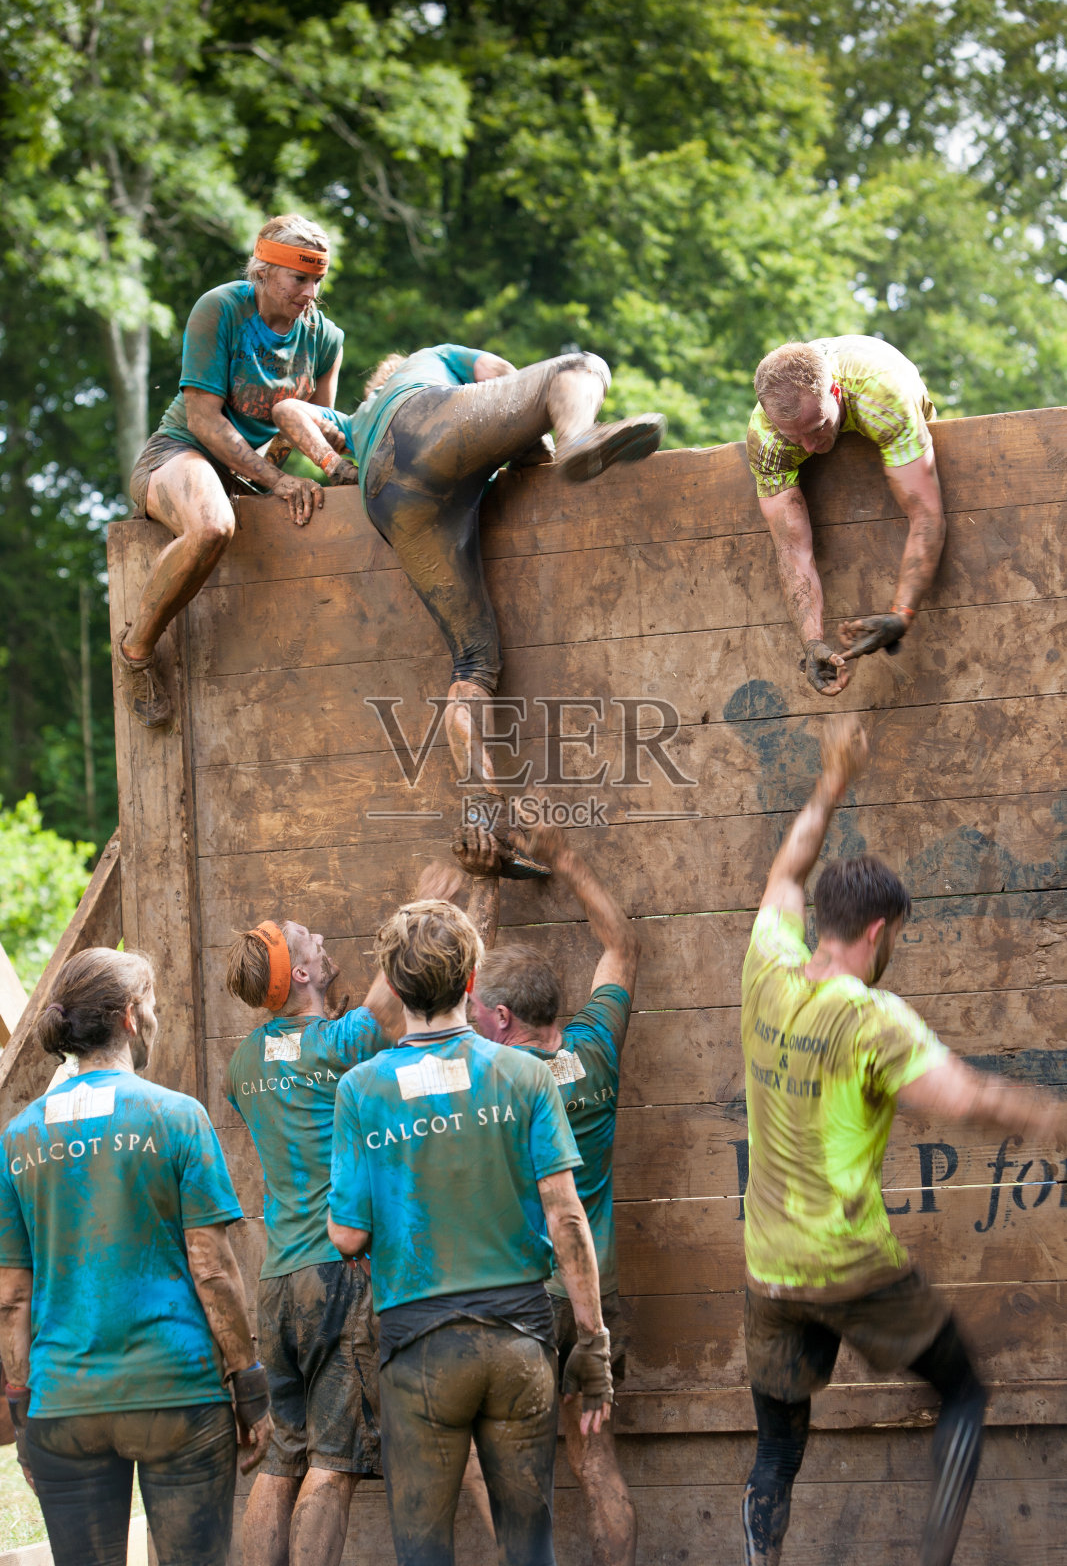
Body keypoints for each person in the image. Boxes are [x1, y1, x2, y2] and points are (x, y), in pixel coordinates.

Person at [739, 715, 1067, 1566]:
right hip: (850, 1265)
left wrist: (831, 781)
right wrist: (1050, 1116)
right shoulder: (871, 1019)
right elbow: (964, 1100)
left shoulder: (766, 965)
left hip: (767, 1270)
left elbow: (785, 869)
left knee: (776, 1449)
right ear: (879, 932)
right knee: (962, 1393)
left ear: (827, 921)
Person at [270, 346, 666, 876]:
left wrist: (336, 466)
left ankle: (483, 820)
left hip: (383, 494)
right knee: (580, 368)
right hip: (426, 425)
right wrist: (538, 444)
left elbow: (287, 412)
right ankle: (578, 438)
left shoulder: (355, 419)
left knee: (473, 664)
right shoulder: (435, 360)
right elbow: (502, 376)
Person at [327, 897, 613, 1566]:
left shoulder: (361, 1089)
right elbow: (567, 1218)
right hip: (520, 1342)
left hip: (419, 1349)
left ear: (395, 988)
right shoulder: (523, 1075)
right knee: (529, 1549)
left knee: (423, 1553)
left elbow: (345, 1236)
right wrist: (593, 1345)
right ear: (468, 984)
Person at [223, 863, 467, 1566]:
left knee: (280, 1464)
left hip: (276, 1282)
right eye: (309, 939)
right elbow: (394, 1004)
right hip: (337, 1272)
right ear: (301, 973)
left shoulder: (244, 1061)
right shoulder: (343, 1044)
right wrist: (426, 905)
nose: (322, 936)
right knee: (333, 1464)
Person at [0, 947, 272, 1566]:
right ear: (129, 1015)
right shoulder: (177, 1118)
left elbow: (11, 1296)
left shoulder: (18, 1139)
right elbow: (212, 1269)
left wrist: (22, 1409)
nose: (155, 1018)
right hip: (176, 1395)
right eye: (152, 1004)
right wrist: (248, 1378)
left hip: (63, 1404)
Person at [457, 824, 641, 1566]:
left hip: (520, 1302)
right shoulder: (593, 1049)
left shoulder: (492, 1078)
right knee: (595, 1465)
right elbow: (622, 945)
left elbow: (454, 986)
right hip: (595, 1293)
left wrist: (482, 880)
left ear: (500, 1021)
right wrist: (565, 858)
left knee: (485, 1464)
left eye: (477, 1014)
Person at [115, 213, 343, 729]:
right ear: (263, 271)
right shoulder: (220, 309)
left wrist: (318, 472)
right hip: (179, 453)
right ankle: (136, 652)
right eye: (299, 278)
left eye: (318, 280)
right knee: (214, 524)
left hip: (250, 475)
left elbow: (314, 425)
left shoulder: (326, 339)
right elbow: (203, 418)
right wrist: (279, 482)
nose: (310, 292)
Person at [747, 336, 946, 695]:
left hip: (886, 392)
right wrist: (811, 643)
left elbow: (926, 515)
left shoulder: (882, 393)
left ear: (836, 393)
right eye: (795, 438)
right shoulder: (767, 438)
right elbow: (793, 551)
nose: (810, 448)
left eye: (817, 428)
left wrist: (902, 614)